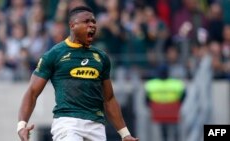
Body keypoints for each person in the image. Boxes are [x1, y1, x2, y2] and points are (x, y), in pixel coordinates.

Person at [17, 6, 139, 141]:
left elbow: (109, 99)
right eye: (87, 21)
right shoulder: (54, 54)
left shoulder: (101, 58)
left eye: (94, 22)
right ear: (73, 25)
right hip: (68, 123)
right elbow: (32, 92)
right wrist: (21, 125)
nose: (92, 25)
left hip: (96, 125)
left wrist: (125, 134)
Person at [144, 65, 185, 141]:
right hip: (173, 113)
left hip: (158, 114)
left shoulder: (151, 84)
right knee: (175, 133)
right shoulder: (176, 84)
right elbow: (183, 97)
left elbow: (146, 101)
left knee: (163, 133)